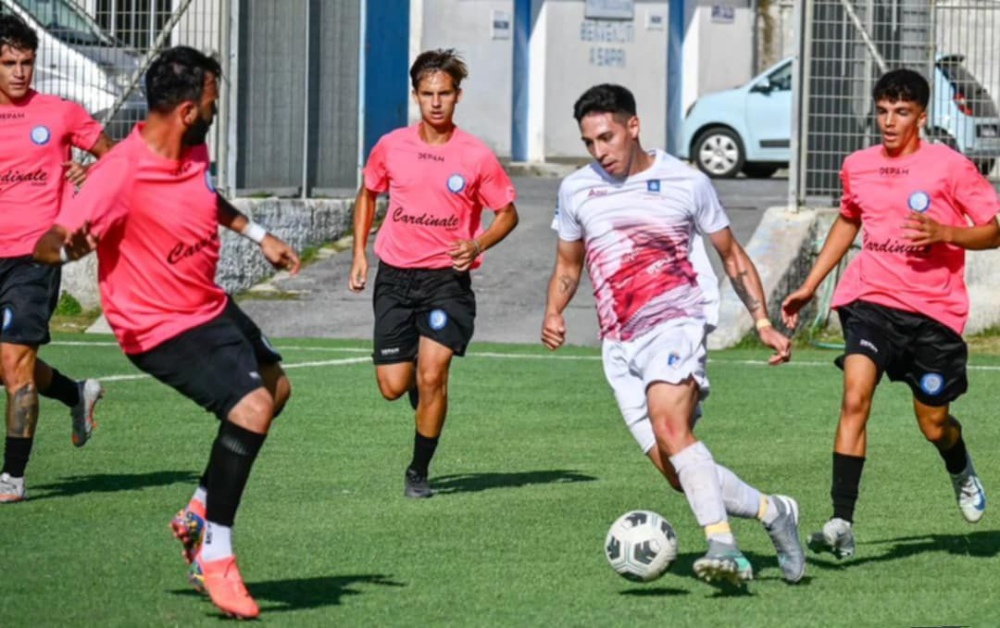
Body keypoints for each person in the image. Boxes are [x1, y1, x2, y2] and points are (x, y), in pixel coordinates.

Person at [34, 46, 300, 619]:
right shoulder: (119, 173)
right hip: (159, 326)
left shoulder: (190, 144)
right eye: (211, 102)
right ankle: (216, 555)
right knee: (251, 407)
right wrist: (68, 247)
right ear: (186, 109)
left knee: (275, 389)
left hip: (205, 305)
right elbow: (49, 240)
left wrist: (259, 236)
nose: (215, 110)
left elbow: (206, 196)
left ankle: (198, 511)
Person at [542, 84, 805, 586]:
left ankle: (722, 545)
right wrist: (554, 311)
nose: (601, 151)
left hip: (676, 323)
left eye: (607, 137)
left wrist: (764, 322)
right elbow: (567, 264)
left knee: (671, 427)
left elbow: (731, 257)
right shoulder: (577, 189)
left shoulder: (687, 182)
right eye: (589, 142)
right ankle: (775, 512)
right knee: (677, 470)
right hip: (619, 345)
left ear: (633, 126)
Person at [782, 68, 998, 559]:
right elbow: (849, 219)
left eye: (901, 112)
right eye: (882, 111)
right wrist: (810, 286)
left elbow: (993, 230)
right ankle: (841, 519)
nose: (889, 121)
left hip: (934, 314)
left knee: (934, 424)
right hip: (871, 300)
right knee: (855, 395)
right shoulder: (857, 165)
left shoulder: (950, 167)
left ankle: (959, 466)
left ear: (921, 115)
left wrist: (946, 233)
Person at [349, 49, 519, 498]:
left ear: (457, 96)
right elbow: (367, 195)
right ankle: (422, 399)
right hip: (395, 276)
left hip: (445, 282)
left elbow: (507, 214)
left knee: (433, 376)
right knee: (393, 386)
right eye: (428, 94)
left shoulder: (476, 156)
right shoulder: (392, 146)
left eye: (445, 93)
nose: (436, 102)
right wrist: (359, 254)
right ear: (416, 96)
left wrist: (478, 243)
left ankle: (417, 472)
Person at [0, 13, 113, 503]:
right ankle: (76, 393)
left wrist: (96, 171)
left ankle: (12, 477)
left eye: (27, 62)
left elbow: (116, 157)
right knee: (8, 366)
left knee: (14, 360)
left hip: (36, 256)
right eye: (9, 63)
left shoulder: (60, 113)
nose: (20, 72)